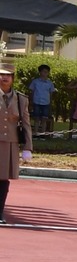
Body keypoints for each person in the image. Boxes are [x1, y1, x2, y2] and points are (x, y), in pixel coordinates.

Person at [0, 64, 30, 224]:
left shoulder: (21, 99)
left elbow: (26, 124)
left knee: (3, 179)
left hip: (10, 144)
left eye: (8, 75)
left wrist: (28, 147)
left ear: (13, 78)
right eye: (2, 74)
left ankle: (0, 212)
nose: (4, 77)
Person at [28, 64, 54, 137]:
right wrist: (31, 101)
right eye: (43, 72)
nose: (44, 73)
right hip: (37, 102)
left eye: (46, 72)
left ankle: (42, 134)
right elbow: (32, 92)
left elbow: (51, 93)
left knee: (44, 119)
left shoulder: (50, 83)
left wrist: (50, 103)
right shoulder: (35, 82)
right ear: (40, 72)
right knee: (36, 118)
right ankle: (35, 133)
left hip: (46, 103)